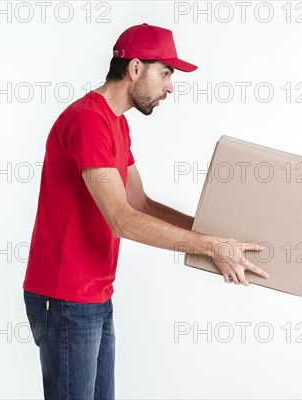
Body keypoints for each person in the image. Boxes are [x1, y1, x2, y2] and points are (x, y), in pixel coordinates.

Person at [22, 23, 269, 399]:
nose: (170, 86)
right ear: (135, 68)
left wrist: (217, 236)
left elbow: (141, 203)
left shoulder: (116, 124)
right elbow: (121, 219)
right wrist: (208, 246)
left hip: (94, 294)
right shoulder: (89, 120)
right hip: (66, 298)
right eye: (165, 73)